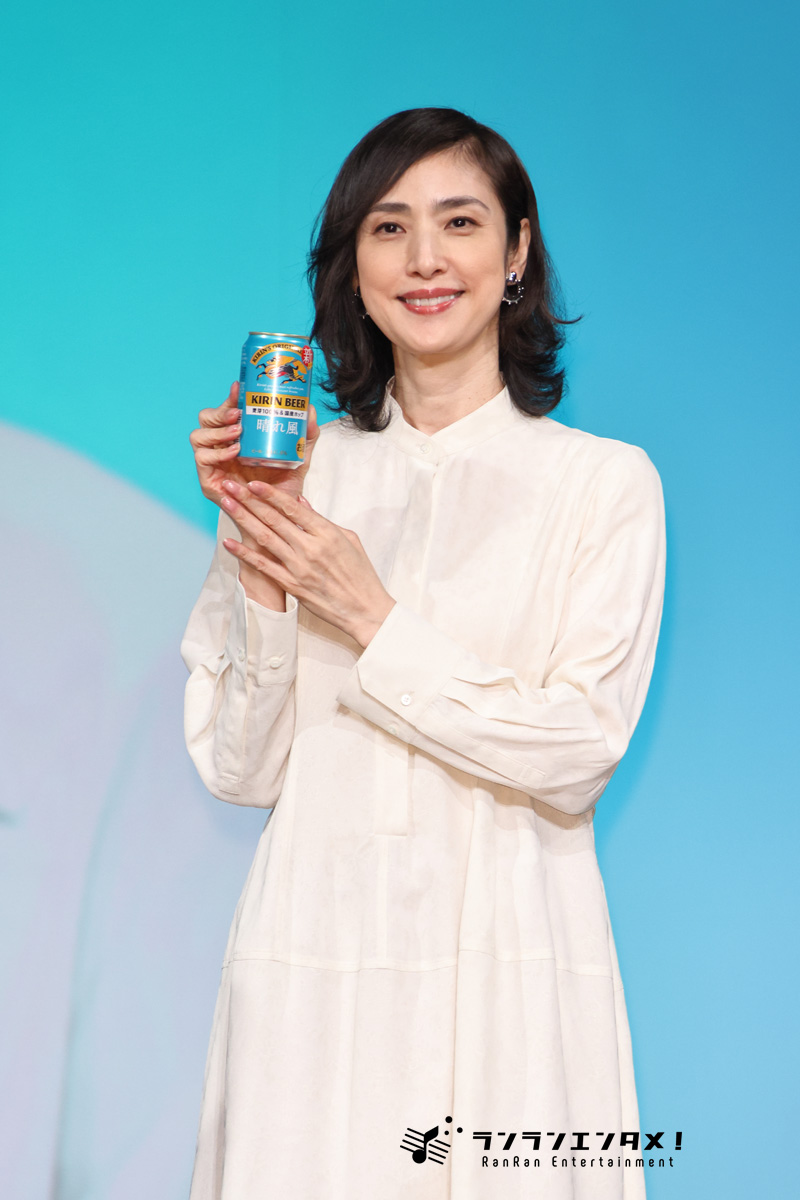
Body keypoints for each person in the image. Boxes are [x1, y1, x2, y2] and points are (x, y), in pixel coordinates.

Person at [182, 107, 666, 1200]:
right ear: (352, 270)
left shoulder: (601, 484)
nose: (425, 259)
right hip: (310, 961)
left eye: (460, 222)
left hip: (507, 967)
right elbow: (241, 768)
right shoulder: (301, 474)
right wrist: (261, 544)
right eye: (388, 228)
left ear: (517, 252)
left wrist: (372, 615)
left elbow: (575, 749)